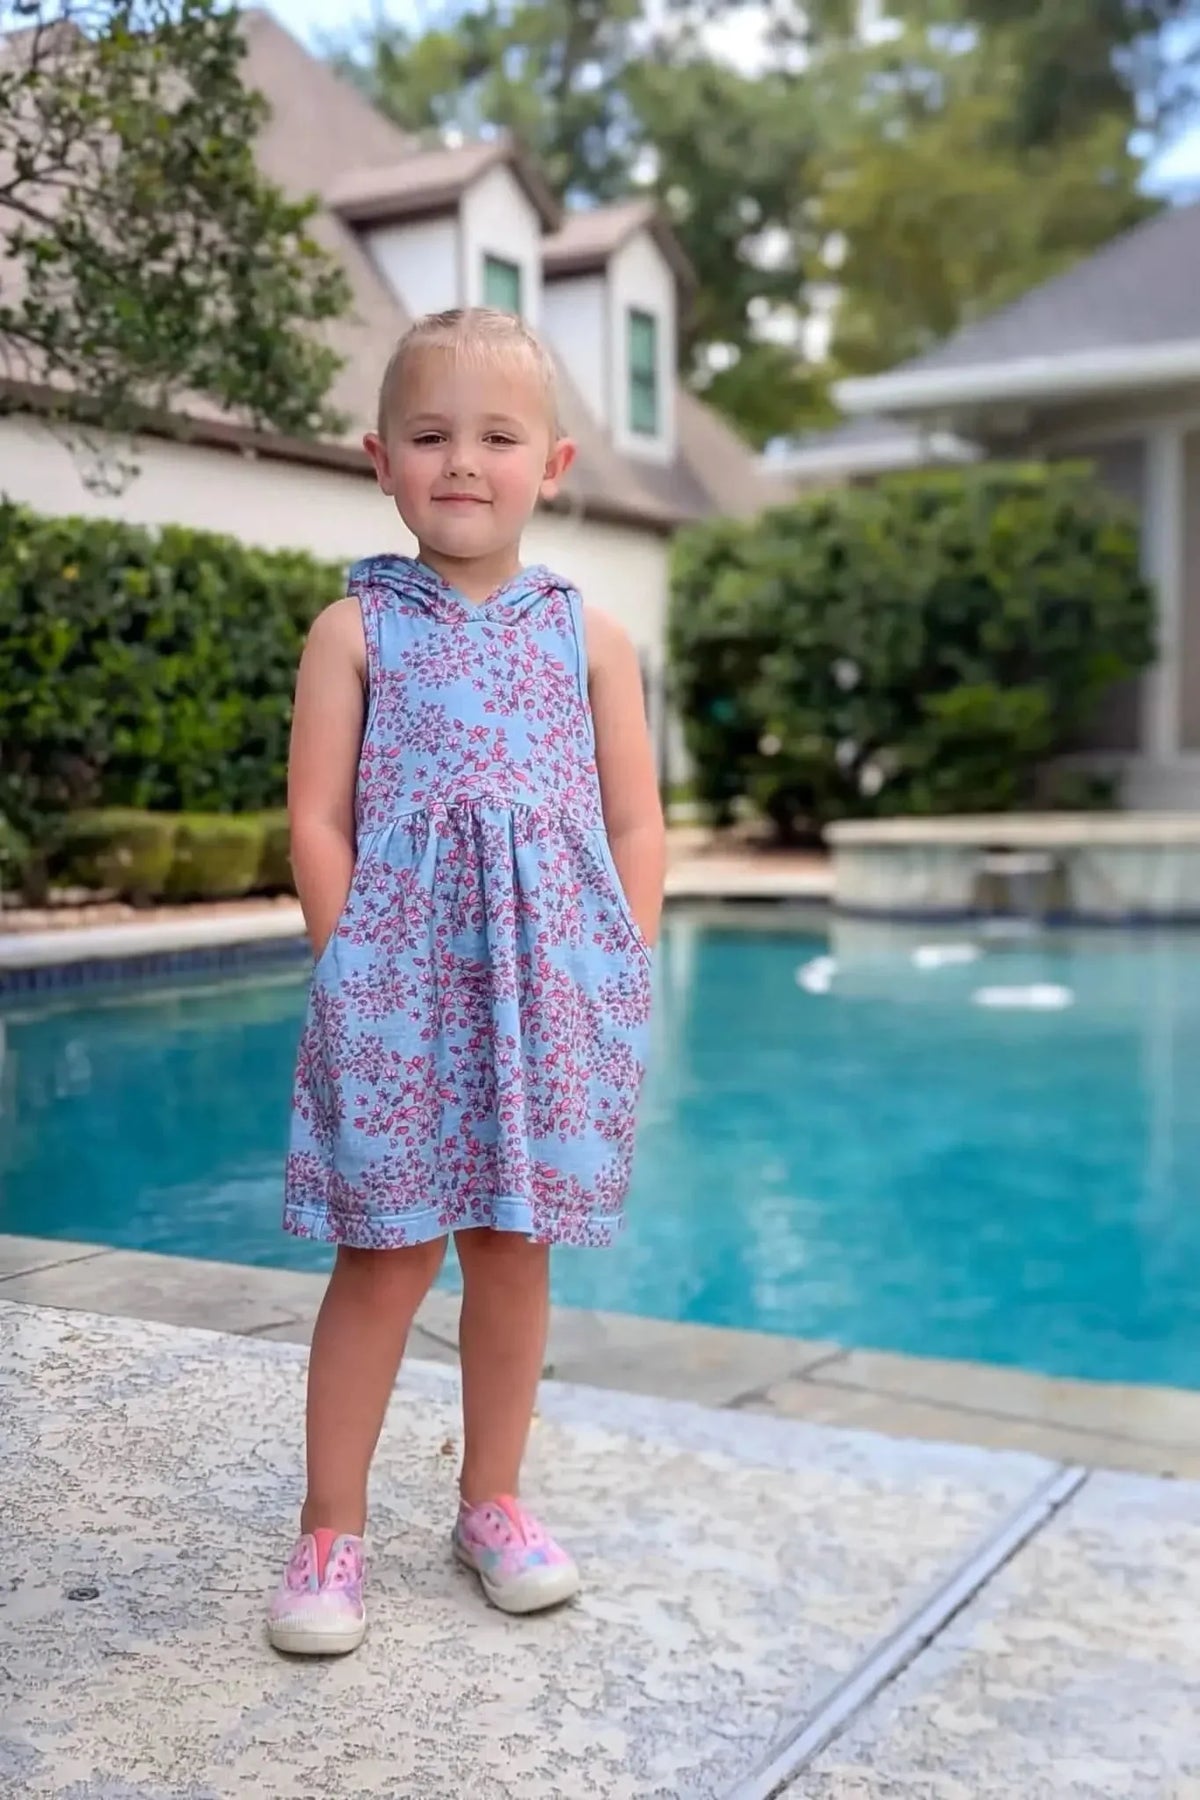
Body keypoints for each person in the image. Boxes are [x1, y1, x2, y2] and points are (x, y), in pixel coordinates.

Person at [267, 307, 666, 1655]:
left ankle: (491, 1500)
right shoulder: (356, 631)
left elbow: (634, 822)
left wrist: (625, 958)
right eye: (430, 435)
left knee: (513, 1249)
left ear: (551, 463)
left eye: (497, 437)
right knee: (382, 1254)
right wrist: (349, 956)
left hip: (550, 993)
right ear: (381, 459)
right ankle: (331, 1524)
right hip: (395, 994)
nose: (462, 461)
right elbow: (318, 815)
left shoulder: (589, 640)